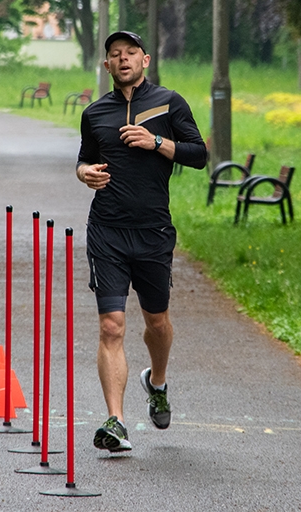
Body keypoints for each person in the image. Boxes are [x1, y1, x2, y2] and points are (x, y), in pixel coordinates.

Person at [76, 30, 207, 452]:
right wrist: (84, 174)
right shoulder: (96, 112)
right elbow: (83, 157)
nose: (123, 59)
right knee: (111, 326)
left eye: (131, 52)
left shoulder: (170, 103)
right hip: (107, 231)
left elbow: (199, 154)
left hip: (153, 232)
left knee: (157, 324)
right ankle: (115, 421)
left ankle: (158, 381)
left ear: (145, 60)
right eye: (115, 54)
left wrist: (156, 142)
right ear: (107, 65)